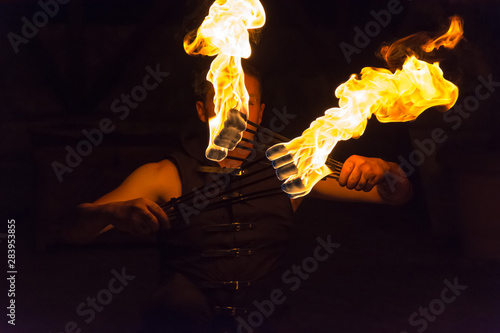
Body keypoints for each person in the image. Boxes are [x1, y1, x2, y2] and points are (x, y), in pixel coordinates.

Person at [60, 67, 412, 332]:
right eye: (225, 100)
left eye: (249, 103)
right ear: (203, 111)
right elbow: (71, 230)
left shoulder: (293, 169)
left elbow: (396, 195)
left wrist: (383, 169)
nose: (238, 112)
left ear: (260, 113)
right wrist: (110, 212)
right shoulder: (163, 174)